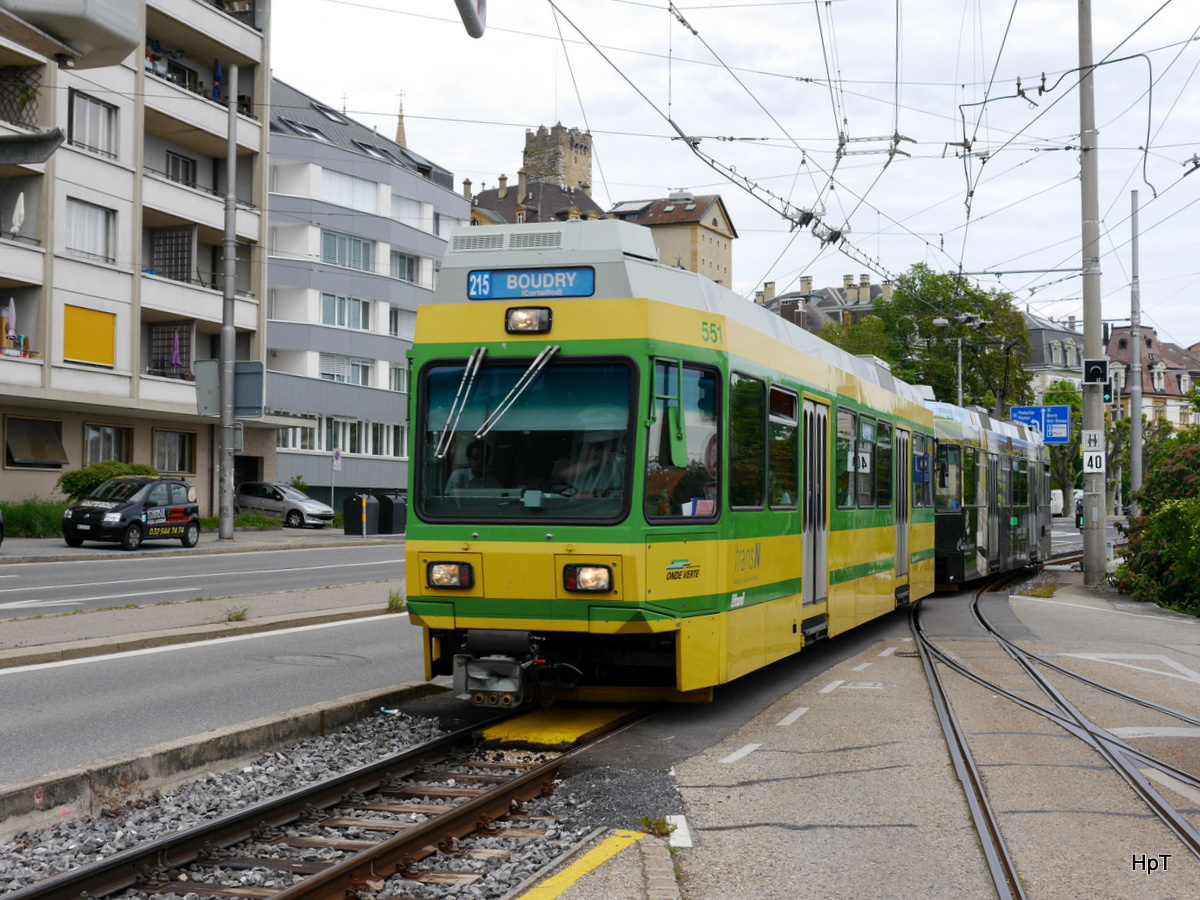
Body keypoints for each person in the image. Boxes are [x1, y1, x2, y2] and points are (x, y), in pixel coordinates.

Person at [554, 433, 624, 497]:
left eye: (599, 446)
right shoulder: (566, 461)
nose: (594, 449)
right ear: (582, 446)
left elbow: (603, 494)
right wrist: (596, 460)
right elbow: (563, 474)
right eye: (591, 445)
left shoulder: (610, 467)